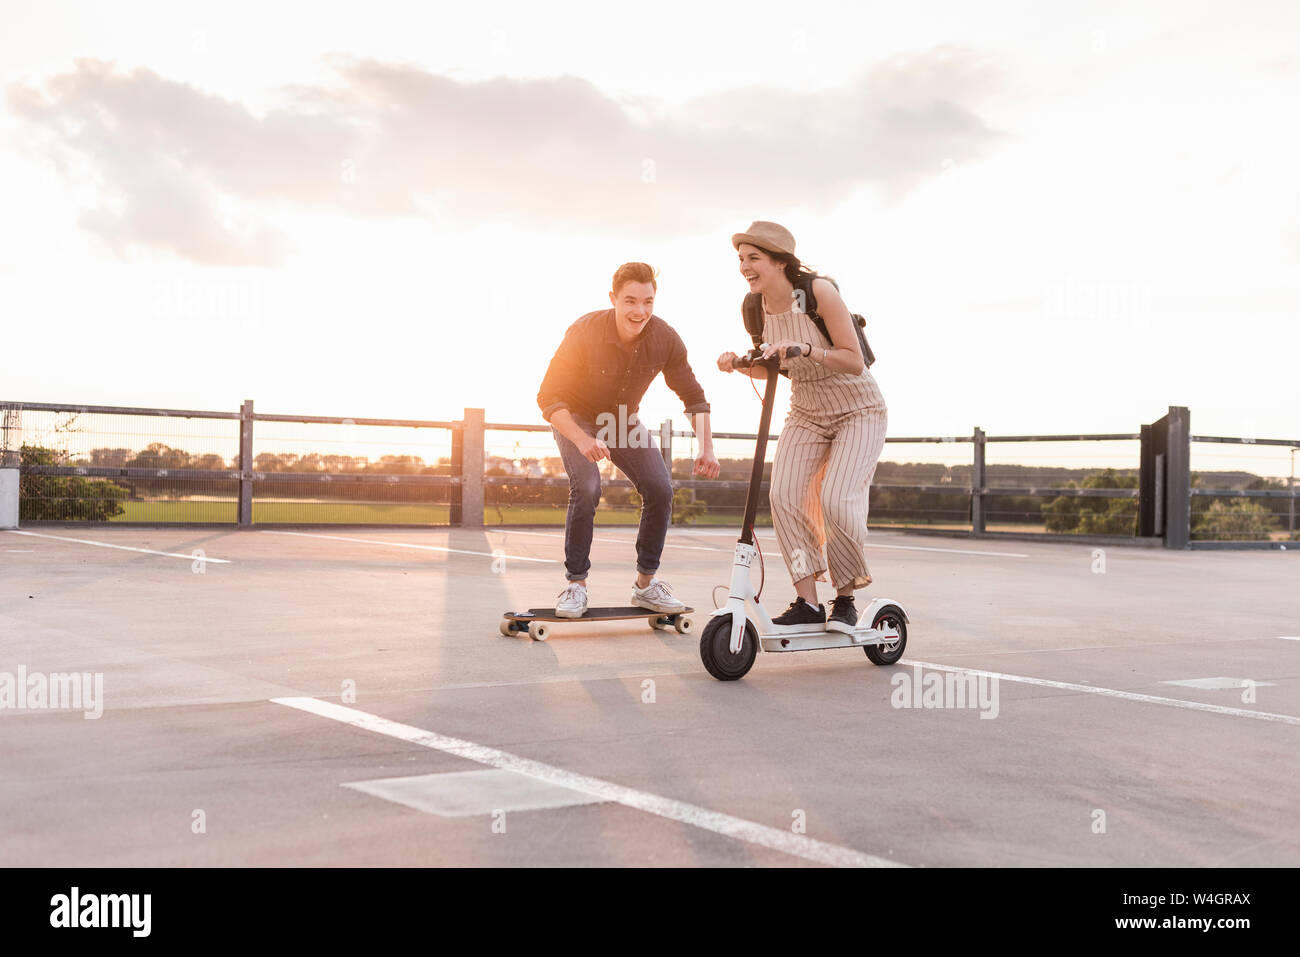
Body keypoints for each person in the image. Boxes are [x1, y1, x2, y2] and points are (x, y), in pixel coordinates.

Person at [717, 222, 888, 634]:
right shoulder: (753, 307)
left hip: (858, 409)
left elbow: (853, 360)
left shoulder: (819, 292)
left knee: (836, 498)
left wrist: (807, 349)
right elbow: (769, 366)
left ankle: (844, 599)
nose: (744, 266)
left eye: (753, 258)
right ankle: (808, 602)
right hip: (807, 410)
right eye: (741, 258)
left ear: (779, 261)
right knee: (785, 495)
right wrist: (739, 365)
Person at [538, 262, 720, 618]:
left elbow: (693, 396)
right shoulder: (585, 330)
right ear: (613, 299)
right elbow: (548, 397)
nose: (640, 311)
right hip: (575, 416)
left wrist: (707, 447)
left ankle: (646, 585)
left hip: (622, 419)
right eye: (631, 301)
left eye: (648, 302)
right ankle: (576, 586)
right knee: (588, 487)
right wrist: (581, 439)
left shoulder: (664, 338)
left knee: (660, 488)